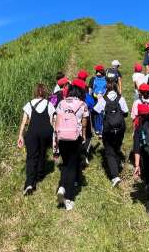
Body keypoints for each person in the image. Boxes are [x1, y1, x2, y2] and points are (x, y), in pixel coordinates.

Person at [55, 82, 89, 211]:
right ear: (79, 93)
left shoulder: (61, 103)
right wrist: (84, 136)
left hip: (62, 137)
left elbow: (57, 120)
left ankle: (62, 186)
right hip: (75, 138)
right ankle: (68, 198)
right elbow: (84, 123)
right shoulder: (82, 104)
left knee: (65, 163)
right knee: (73, 166)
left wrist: (56, 138)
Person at [17, 83, 55, 196]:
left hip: (32, 132)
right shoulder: (49, 104)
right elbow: (51, 122)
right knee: (42, 152)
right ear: (45, 92)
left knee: (31, 157)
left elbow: (24, 122)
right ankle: (40, 174)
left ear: (35, 92)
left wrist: (20, 136)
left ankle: (29, 183)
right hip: (45, 132)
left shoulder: (29, 104)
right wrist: (54, 137)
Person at [94, 80, 129, 186]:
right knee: (116, 147)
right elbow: (126, 113)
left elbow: (95, 111)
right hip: (120, 129)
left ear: (107, 89)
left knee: (109, 152)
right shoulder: (121, 98)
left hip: (108, 129)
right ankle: (117, 166)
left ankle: (115, 176)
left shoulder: (103, 99)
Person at [88, 65, 107, 136]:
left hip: (95, 98)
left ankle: (97, 129)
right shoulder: (106, 79)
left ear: (96, 71)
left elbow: (90, 90)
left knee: (95, 113)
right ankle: (102, 129)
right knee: (102, 113)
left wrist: (90, 97)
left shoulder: (93, 79)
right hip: (103, 99)